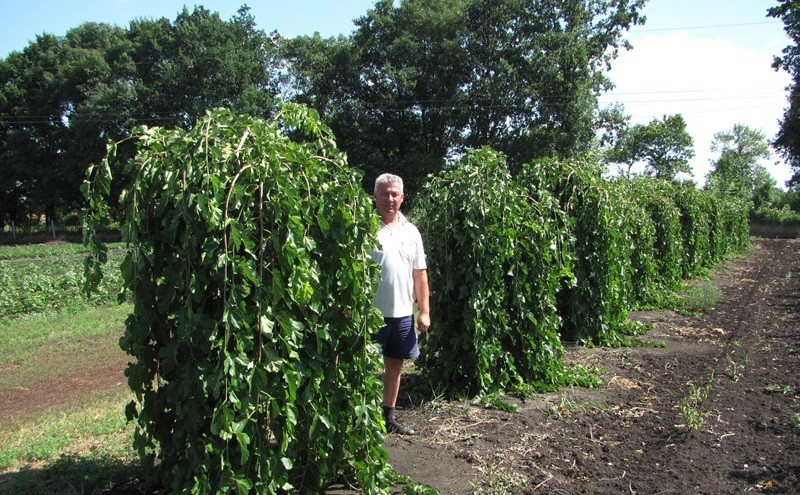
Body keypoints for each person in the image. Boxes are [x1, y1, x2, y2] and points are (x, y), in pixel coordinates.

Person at [370, 173, 430, 435]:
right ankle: (361, 416)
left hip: (403, 313)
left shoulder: (411, 232)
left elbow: (420, 273)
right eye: (384, 193)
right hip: (370, 314)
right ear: (375, 196)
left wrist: (424, 311)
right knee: (363, 366)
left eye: (394, 194)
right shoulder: (365, 227)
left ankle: (388, 417)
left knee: (394, 366)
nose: (390, 198)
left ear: (402, 197)